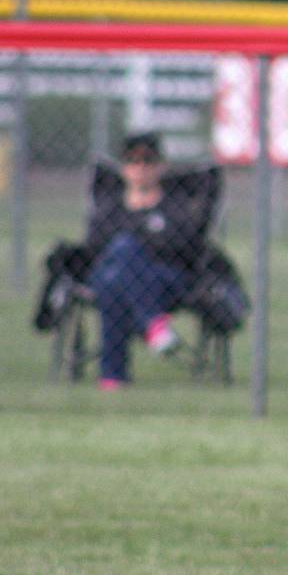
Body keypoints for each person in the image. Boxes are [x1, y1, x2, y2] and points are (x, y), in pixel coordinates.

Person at [85, 132, 205, 390]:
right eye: (132, 161)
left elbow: (183, 245)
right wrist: (145, 236)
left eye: (148, 160)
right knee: (118, 262)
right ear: (124, 168)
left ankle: (112, 374)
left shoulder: (175, 206)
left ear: (160, 166)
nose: (140, 168)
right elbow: (94, 245)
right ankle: (151, 324)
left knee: (117, 270)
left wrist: (137, 242)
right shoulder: (110, 206)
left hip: (163, 279)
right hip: (116, 275)